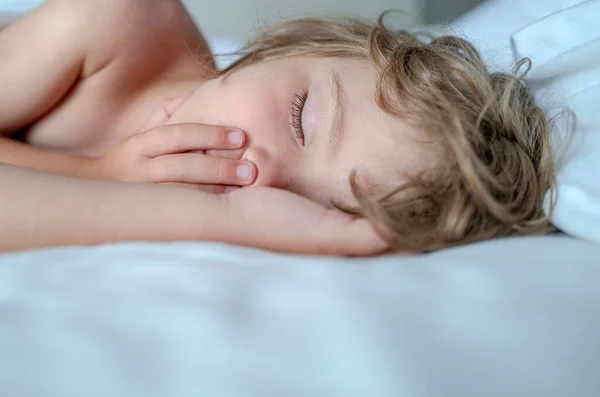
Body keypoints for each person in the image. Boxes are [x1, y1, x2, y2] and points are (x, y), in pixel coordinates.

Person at [0, 0, 557, 255]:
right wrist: (96, 175)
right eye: (300, 119)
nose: (258, 175)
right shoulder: (121, 26)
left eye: (305, 202)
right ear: (286, 49)